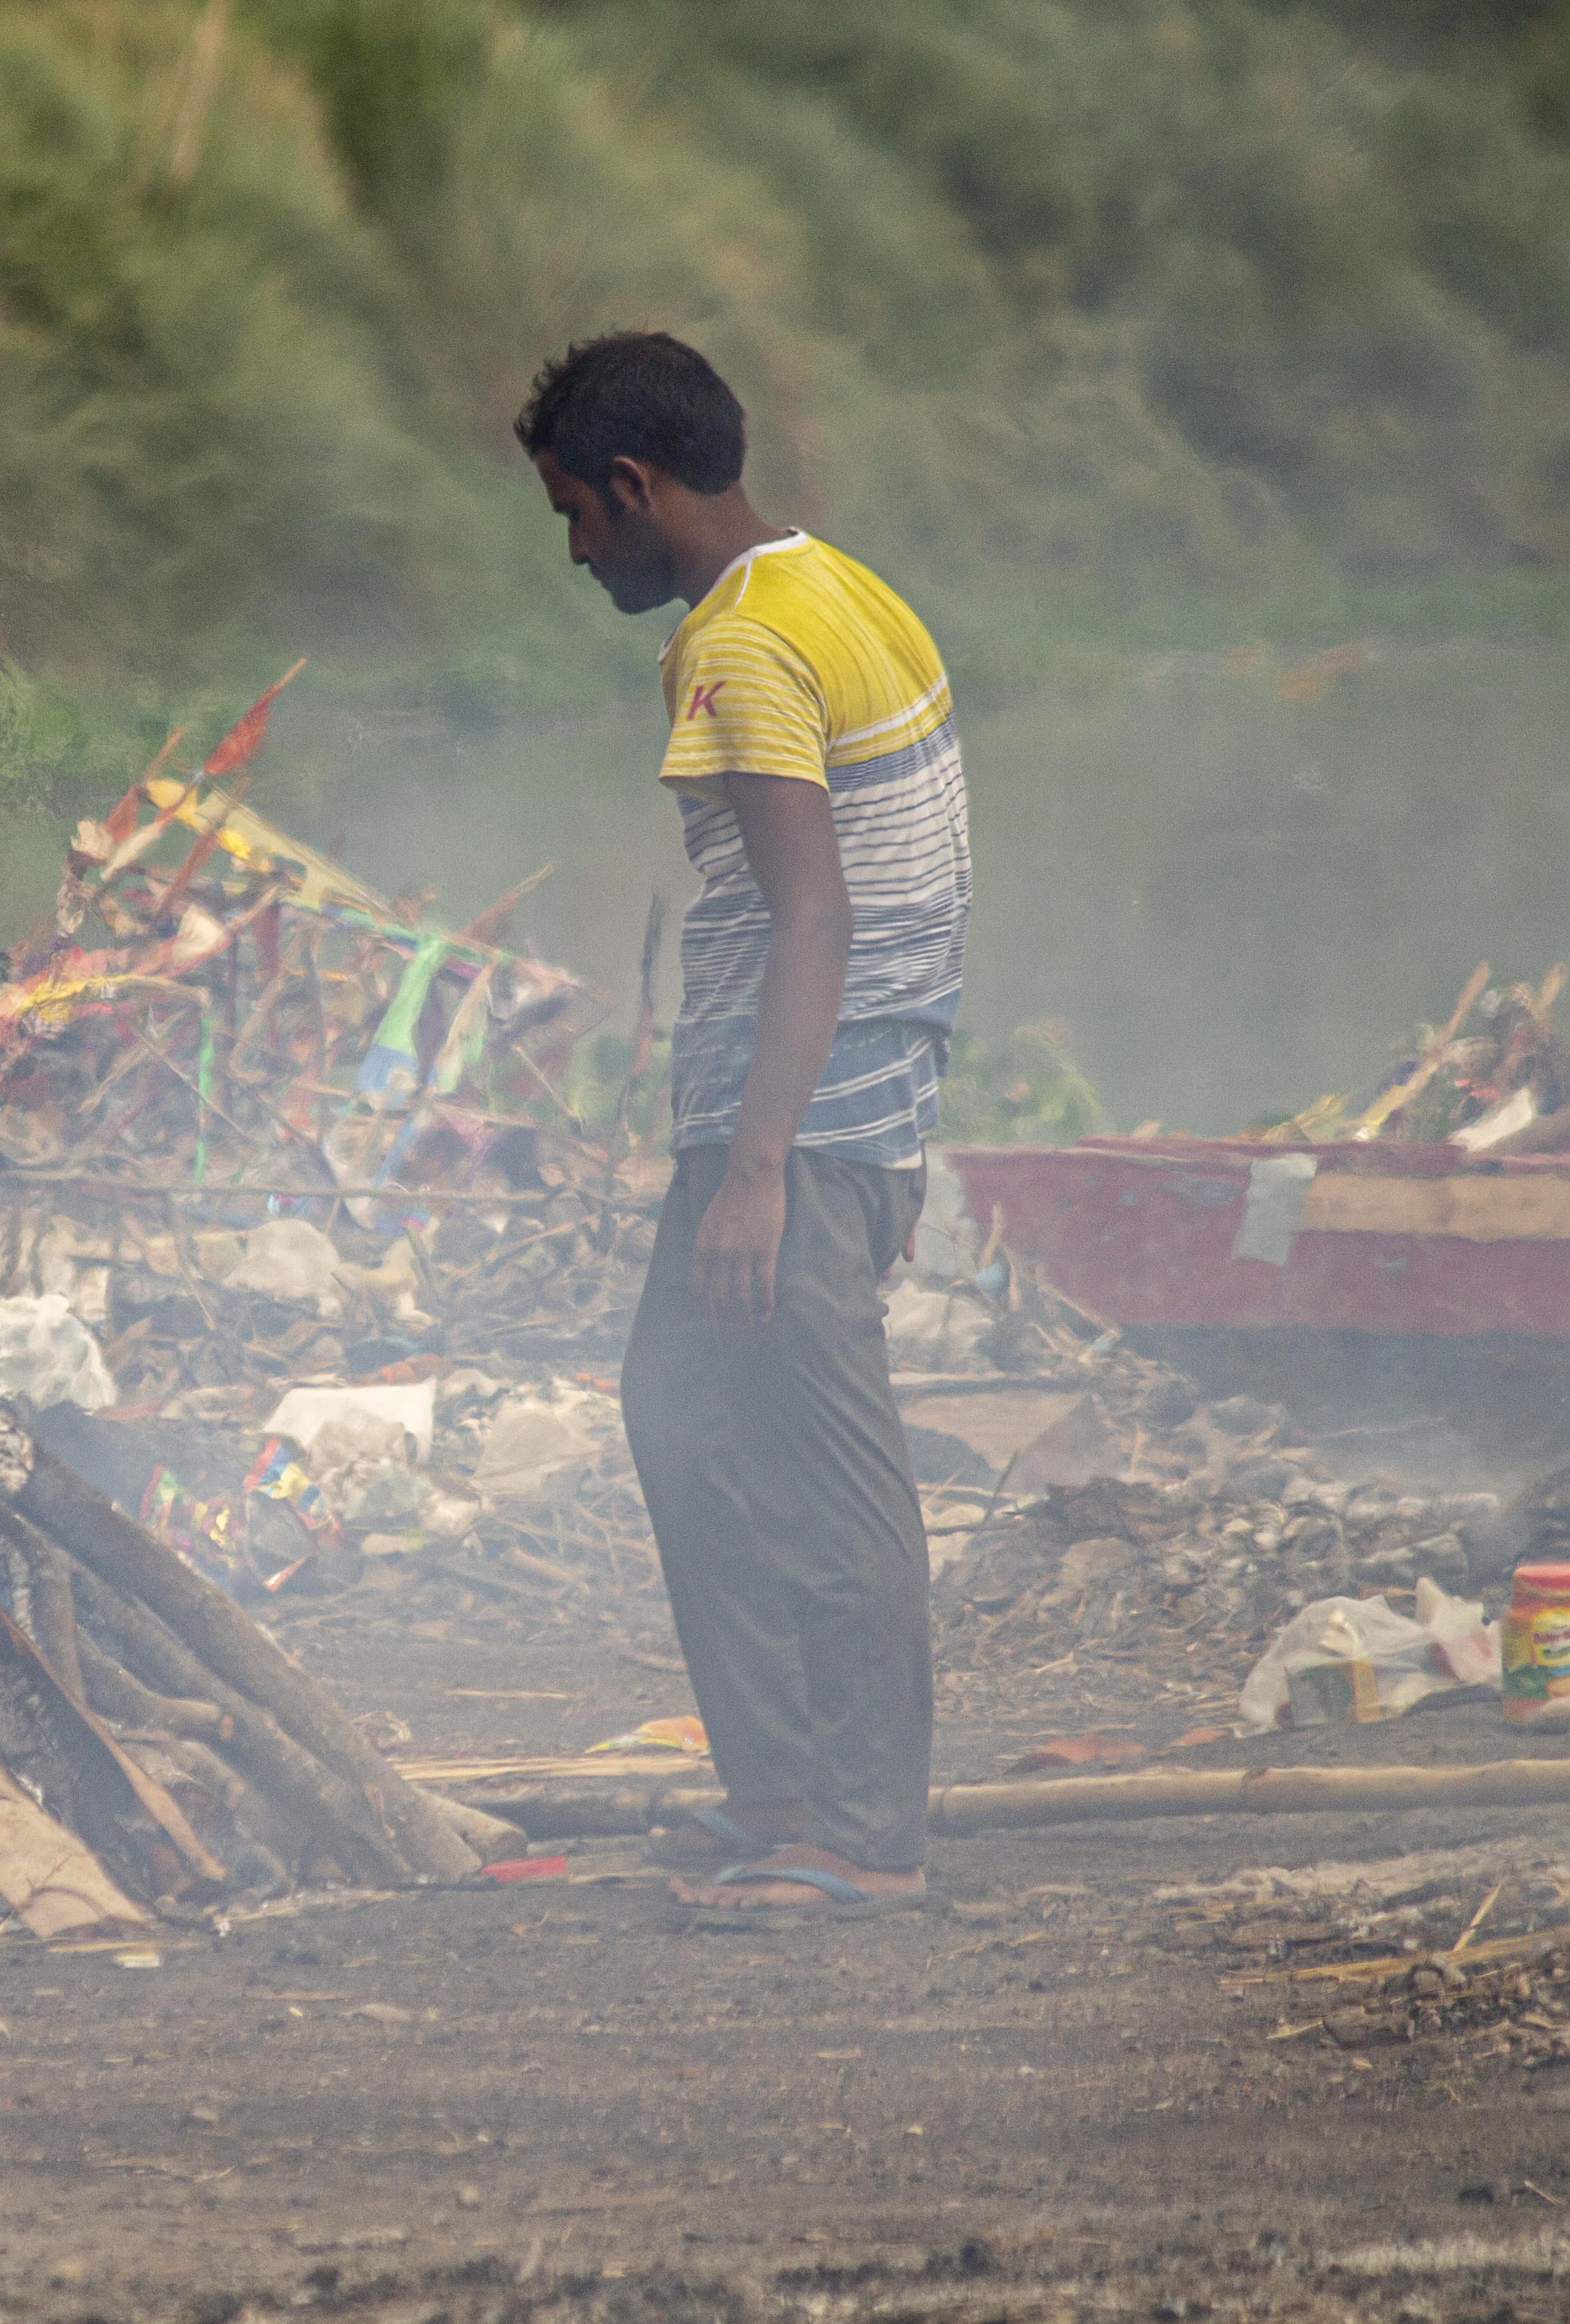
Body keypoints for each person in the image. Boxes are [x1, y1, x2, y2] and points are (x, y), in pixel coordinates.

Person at [517, 332, 971, 1922]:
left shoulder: (741, 649)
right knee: (683, 1411)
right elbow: (911, 888)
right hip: (833, 1095)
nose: (577, 551)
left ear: (635, 488)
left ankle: (860, 1833)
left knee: (825, 1463)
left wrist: (768, 1168)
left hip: (792, 1109)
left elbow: (816, 913)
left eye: (577, 514)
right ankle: (778, 1782)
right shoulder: (835, 586)